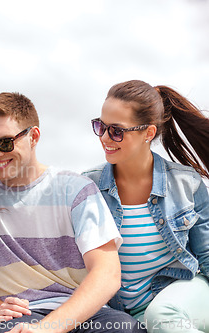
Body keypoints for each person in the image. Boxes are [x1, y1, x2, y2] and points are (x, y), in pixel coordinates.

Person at [0, 92, 145, 333]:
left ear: (33, 136)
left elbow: (107, 274)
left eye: (5, 143)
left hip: (85, 314)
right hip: (20, 316)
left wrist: (47, 329)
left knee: (126, 329)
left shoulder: (76, 189)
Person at [83, 80, 209, 333]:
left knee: (162, 316)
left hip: (182, 295)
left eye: (117, 131)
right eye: (101, 126)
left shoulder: (187, 183)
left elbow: (206, 255)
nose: (105, 138)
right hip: (122, 310)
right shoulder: (88, 186)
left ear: (148, 133)